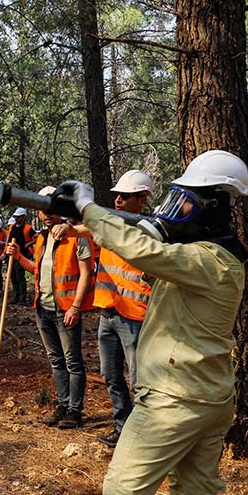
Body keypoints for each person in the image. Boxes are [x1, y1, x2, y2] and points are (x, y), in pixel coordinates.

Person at [48, 149, 248, 495]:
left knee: (123, 493)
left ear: (213, 206)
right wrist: (84, 216)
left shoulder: (208, 261)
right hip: (207, 396)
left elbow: (143, 250)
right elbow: (143, 236)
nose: (177, 211)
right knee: (196, 494)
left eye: (188, 202)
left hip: (176, 399)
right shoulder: (211, 255)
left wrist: (87, 205)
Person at [55, 170, 155, 446]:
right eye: (117, 196)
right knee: (111, 376)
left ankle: (144, 439)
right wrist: (70, 229)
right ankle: (123, 430)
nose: (119, 200)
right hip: (108, 314)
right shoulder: (112, 224)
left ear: (142, 200)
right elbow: (92, 227)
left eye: (125, 196)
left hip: (136, 318)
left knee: (139, 383)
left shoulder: (149, 230)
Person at [4, 185, 94, 429]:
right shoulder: (42, 238)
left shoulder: (78, 235)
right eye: (44, 210)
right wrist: (19, 257)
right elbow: (39, 270)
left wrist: (76, 307)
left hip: (66, 310)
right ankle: (63, 405)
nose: (47, 214)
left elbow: (86, 273)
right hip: (43, 309)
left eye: (53, 210)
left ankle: (75, 411)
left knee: (73, 361)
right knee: (56, 361)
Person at [8, 207, 34, 303]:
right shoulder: (12, 227)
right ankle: (16, 296)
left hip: (22, 255)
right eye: (15, 217)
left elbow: (36, 237)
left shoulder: (28, 228)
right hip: (11, 255)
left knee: (20, 275)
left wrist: (28, 244)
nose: (16, 219)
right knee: (13, 275)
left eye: (18, 217)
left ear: (23, 217)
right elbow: (8, 240)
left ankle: (22, 298)